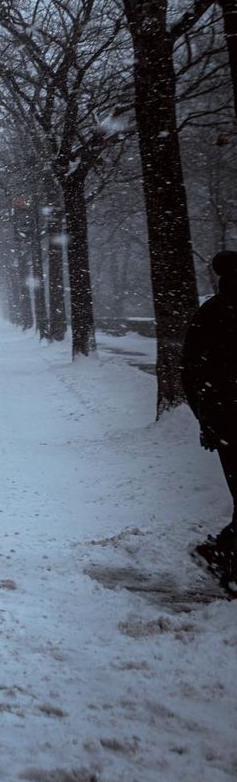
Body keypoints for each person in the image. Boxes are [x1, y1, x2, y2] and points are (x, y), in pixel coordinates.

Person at [183, 250, 237, 586]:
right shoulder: (215, 313)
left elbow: (193, 372)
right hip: (227, 420)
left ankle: (221, 555)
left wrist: (207, 417)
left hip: (225, 420)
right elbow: (194, 372)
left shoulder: (212, 313)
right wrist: (208, 419)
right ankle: (222, 559)